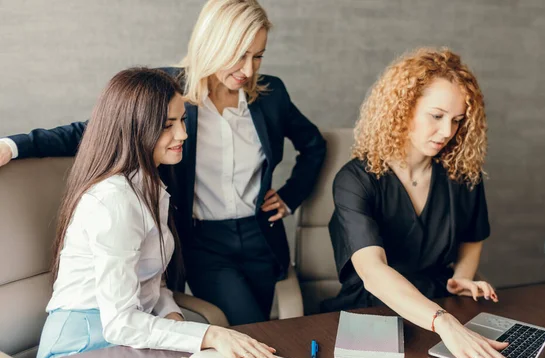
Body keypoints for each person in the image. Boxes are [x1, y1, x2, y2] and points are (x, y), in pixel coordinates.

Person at [0, 0, 326, 326]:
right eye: (239, 55)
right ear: (212, 44)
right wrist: (13, 145)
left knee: (264, 327)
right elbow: (94, 131)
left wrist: (289, 196)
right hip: (204, 243)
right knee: (252, 331)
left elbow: (313, 145)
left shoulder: (271, 95)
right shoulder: (169, 90)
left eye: (257, 56)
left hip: (260, 237)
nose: (249, 70)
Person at [35, 67, 281, 358]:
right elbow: (120, 323)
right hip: (83, 348)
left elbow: (151, 283)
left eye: (182, 120)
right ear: (136, 128)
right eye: (168, 125)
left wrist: (172, 317)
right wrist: (209, 334)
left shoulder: (152, 187)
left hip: (129, 339)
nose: (183, 134)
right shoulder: (115, 200)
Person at [324, 48, 517, 358]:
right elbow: (373, 272)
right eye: (437, 115)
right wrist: (443, 322)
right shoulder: (355, 180)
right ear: (403, 109)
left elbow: (473, 237)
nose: (447, 131)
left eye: (457, 120)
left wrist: (460, 278)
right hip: (375, 310)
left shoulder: (461, 175)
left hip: (440, 300)